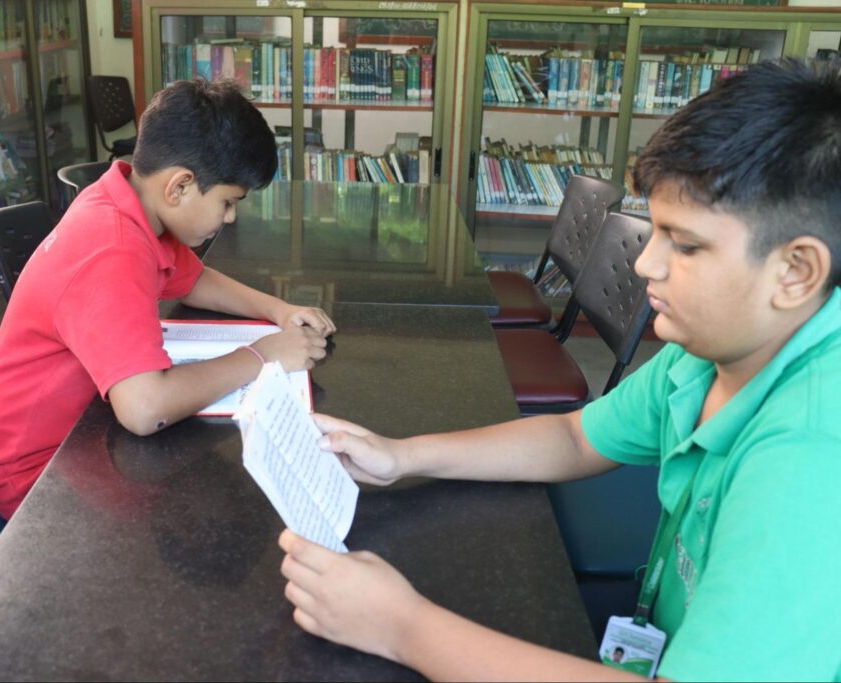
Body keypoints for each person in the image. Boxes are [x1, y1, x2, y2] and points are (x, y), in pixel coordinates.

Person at [278, 58, 841, 681]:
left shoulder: (812, 457)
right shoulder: (718, 350)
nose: (647, 264)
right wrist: (403, 455)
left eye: (685, 245)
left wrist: (401, 626)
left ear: (795, 272)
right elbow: (576, 436)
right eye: (655, 232)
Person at [0, 79, 335, 520]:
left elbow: (194, 281)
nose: (230, 217)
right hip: (36, 474)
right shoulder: (113, 248)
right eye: (227, 201)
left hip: (84, 431)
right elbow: (147, 410)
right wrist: (263, 355)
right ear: (179, 186)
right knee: (218, 510)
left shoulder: (127, 201)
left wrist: (278, 310)